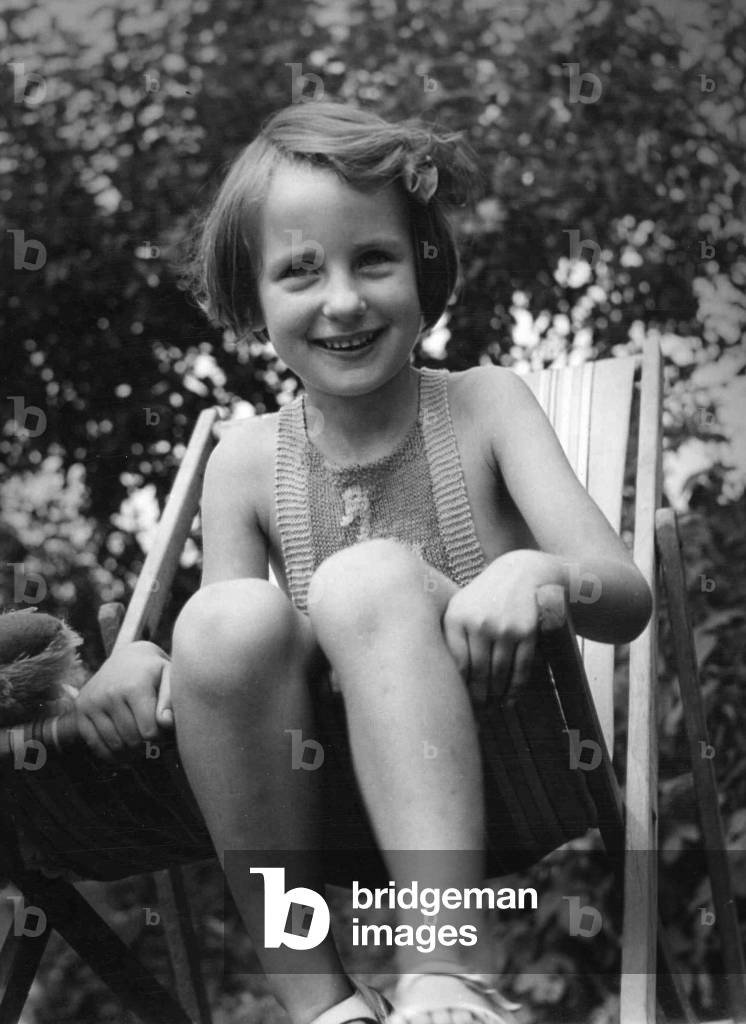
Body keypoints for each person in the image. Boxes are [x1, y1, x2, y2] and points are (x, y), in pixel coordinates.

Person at [73, 100, 653, 1024]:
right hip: (319, 799)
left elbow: (622, 598)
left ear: (423, 267)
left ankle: (442, 974)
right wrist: (147, 666)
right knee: (216, 619)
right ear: (254, 298)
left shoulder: (488, 407)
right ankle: (324, 1006)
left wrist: (538, 574)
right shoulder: (244, 462)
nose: (343, 300)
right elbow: (229, 674)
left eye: (374, 259)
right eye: (300, 271)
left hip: (511, 768)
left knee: (367, 577)